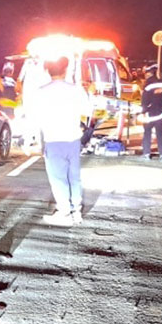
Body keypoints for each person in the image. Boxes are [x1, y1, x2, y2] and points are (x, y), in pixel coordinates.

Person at [31, 56, 93, 226]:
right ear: (65, 70)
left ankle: (64, 212)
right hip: (73, 139)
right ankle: (76, 211)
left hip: (53, 139)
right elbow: (88, 111)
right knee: (74, 176)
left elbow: (35, 117)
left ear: (47, 71)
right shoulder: (76, 90)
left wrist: (34, 139)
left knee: (58, 178)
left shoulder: (41, 92)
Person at [139, 67, 162, 159]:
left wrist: (143, 112)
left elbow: (144, 101)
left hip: (150, 112)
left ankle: (146, 153)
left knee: (147, 132)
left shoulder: (148, 86)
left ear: (149, 74)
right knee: (160, 132)